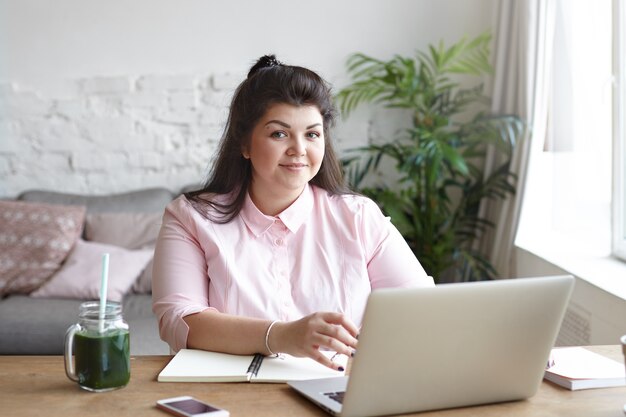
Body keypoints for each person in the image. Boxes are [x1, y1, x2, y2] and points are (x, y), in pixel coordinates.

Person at [152, 55, 434, 371]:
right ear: (244, 144)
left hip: (340, 390)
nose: (299, 149)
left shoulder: (359, 217)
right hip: (235, 396)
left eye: (312, 134)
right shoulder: (191, 218)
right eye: (279, 134)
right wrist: (281, 336)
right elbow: (179, 320)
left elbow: (420, 310)